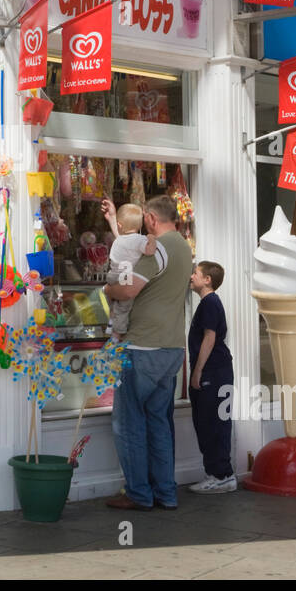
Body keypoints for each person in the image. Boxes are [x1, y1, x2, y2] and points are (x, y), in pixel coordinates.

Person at [101, 195, 193, 511]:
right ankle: (166, 493)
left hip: (142, 347)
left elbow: (127, 288)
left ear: (151, 219)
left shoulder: (158, 248)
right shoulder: (183, 247)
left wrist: (107, 289)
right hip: (172, 347)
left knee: (128, 424)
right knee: (159, 422)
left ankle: (139, 494)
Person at [187, 261, 234, 493]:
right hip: (217, 371)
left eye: (195, 273)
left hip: (213, 373)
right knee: (212, 422)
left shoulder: (210, 303)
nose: (191, 276)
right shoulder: (209, 303)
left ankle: (221, 475)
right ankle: (218, 473)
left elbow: (210, 338)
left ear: (207, 280)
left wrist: (197, 371)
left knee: (212, 423)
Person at [102, 202, 159, 337]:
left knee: (113, 301)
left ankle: (110, 321)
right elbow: (150, 251)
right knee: (123, 307)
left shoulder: (119, 239)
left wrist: (112, 218)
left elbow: (119, 233)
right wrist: (151, 237)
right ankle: (117, 333)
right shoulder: (139, 240)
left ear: (120, 225)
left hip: (112, 275)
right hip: (125, 276)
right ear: (140, 226)